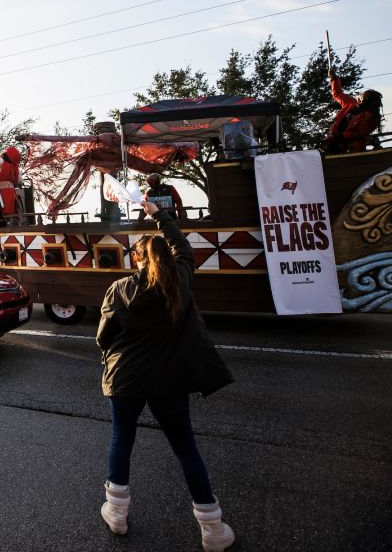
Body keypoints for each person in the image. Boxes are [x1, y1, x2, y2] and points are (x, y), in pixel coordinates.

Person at [95, 198, 236, 550]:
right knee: (186, 447)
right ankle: (213, 528)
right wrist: (159, 216)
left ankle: (117, 513)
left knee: (121, 439)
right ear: (168, 258)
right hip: (170, 380)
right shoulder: (181, 281)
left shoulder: (121, 289)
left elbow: (103, 337)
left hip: (126, 377)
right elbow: (183, 246)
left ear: (138, 259)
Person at [324, 69, 382, 153]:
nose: (360, 98)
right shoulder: (351, 103)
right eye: (361, 97)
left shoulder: (371, 117)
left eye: (363, 97)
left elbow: (360, 133)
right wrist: (334, 79)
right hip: (332, 142)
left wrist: (341, 135)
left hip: (351, 148)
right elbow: (338, 94)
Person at [0, 146, 23, 225]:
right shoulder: (16, 168)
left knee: (2, 206)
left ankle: (6, 221)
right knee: (11, 206)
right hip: (11, 190)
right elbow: (20, 181)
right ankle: (11, 220)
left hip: (0, 191)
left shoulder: (1, 164)